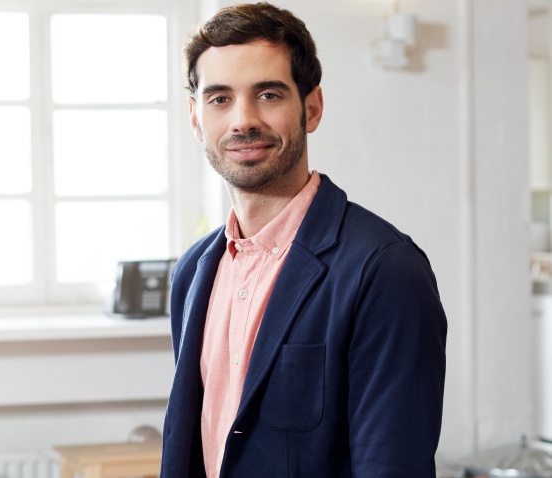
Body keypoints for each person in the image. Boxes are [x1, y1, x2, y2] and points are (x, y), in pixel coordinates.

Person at [160, 2, 447, 477]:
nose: (242, 120)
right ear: (195, 118)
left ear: (311, 108)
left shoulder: (384, 270)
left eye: (268, 94)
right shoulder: (192, 273)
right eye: (219, 98)